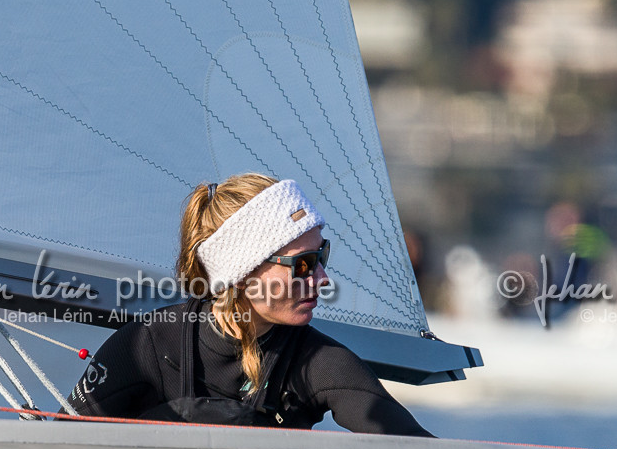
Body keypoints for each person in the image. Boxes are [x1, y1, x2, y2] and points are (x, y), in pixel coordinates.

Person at [67, 173, 431, 435]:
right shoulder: (147, 345)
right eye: (303, 264)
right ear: (241, 275)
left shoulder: (320, 363)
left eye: (322, 256)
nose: (322, 279)